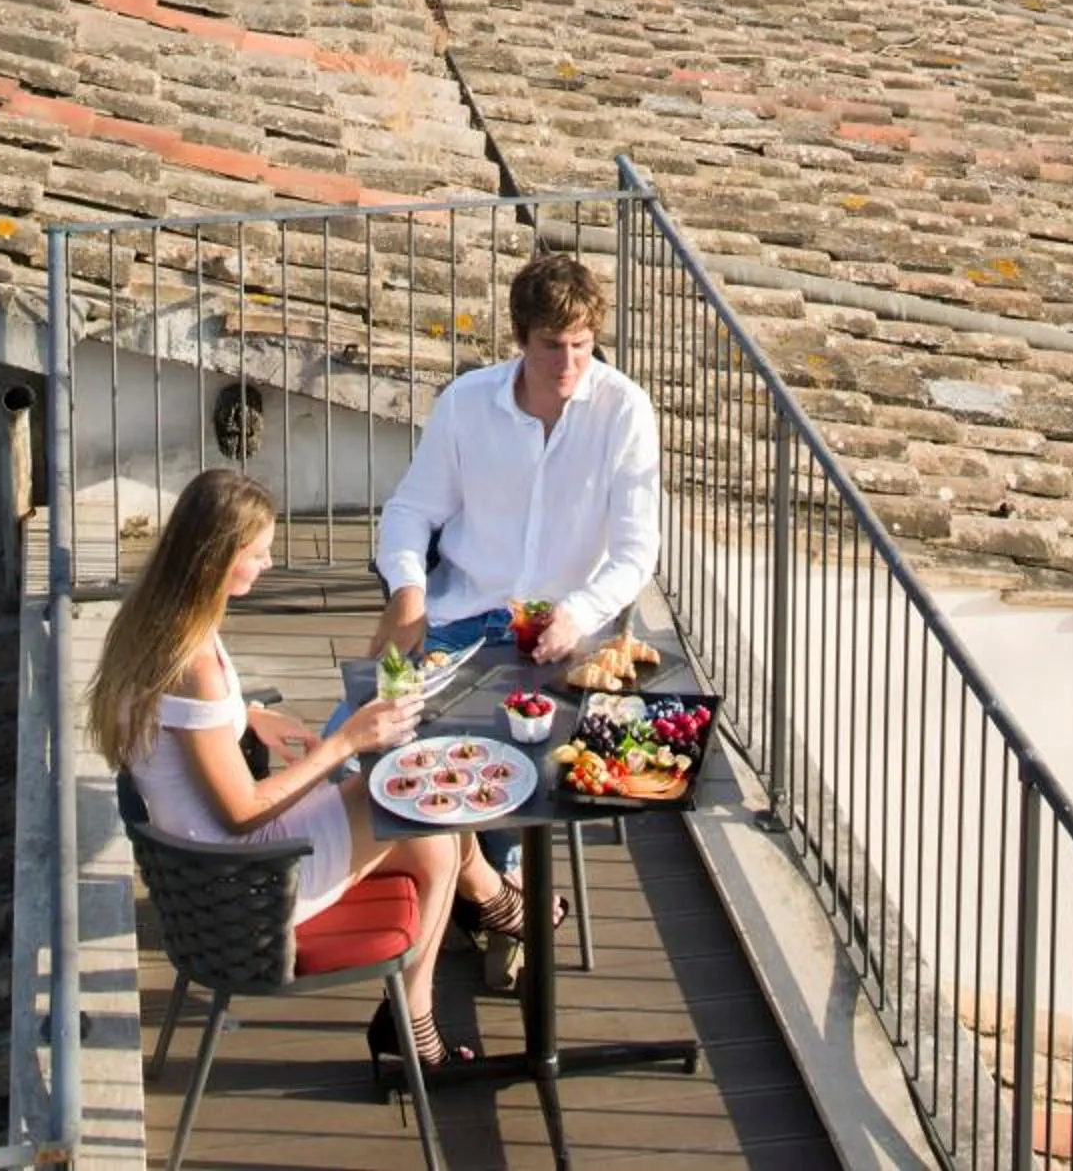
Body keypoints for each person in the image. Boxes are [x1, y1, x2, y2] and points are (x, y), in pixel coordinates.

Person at [90, 467, 510, 1076]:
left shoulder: (155, 623)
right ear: (218, 557)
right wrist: (344, 742)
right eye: (258, 553)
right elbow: (241, 814)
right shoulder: (196, 661)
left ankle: (480, 935)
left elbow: (181, 728)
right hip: (246, 885)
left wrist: (249, 715)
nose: (268, 564)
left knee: (435, 834)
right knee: (428, 818)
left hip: (202, 871)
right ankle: (444, 985)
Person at [368, 249, 661, 670]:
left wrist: (578, 615)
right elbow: (410, 511)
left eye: (581, 345)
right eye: (552, 345)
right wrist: (407, 592)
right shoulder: (465, 401)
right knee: (361, 706)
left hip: (568, 631)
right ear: (521, 338)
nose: (568, 363)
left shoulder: (625, 409)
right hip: (460, 618)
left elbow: (636, 551)